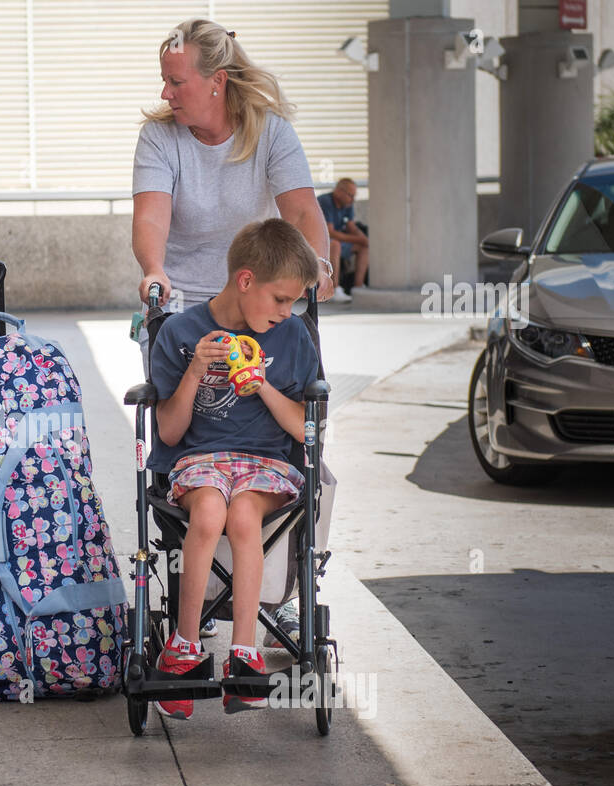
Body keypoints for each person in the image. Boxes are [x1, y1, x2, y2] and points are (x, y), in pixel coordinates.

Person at [132, 17, 330, 643]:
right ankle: (207, 600)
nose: (166, 93)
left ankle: (285, 593)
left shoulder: (269, 133)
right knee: (190, 448)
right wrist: (155, 270)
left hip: (268, 293)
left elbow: (300, 211)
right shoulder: (161, 139)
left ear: (216, 82)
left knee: (307, 456)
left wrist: (313, 269)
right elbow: (150, 215)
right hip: (189, 303)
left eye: (176, 81)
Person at [148, 218, 321, 719]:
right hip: (199, 458)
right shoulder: (182, 333)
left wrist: (260, 385)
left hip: (266, 463)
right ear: (246, 281)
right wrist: (197, 370)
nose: (288, 312)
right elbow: (170, 433)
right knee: (207, 513)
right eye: (281, 299)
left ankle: (243, 652)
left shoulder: (292, 338)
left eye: (294, 302)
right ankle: (183, 647)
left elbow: (302, 429)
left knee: (244, 517)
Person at [319, 177, 369, 301]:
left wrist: (364, 240)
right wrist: (358, 239)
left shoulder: (347, 204)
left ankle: (358, 288)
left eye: (354, 196)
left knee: (364, 247)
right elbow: (330, 233)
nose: (352, 200)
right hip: (321, 242)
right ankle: (336, 289)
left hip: (338, 241)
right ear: (339, 191)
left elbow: (351, 226)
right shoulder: (325, 201)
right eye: (350, 195)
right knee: (335, 244)